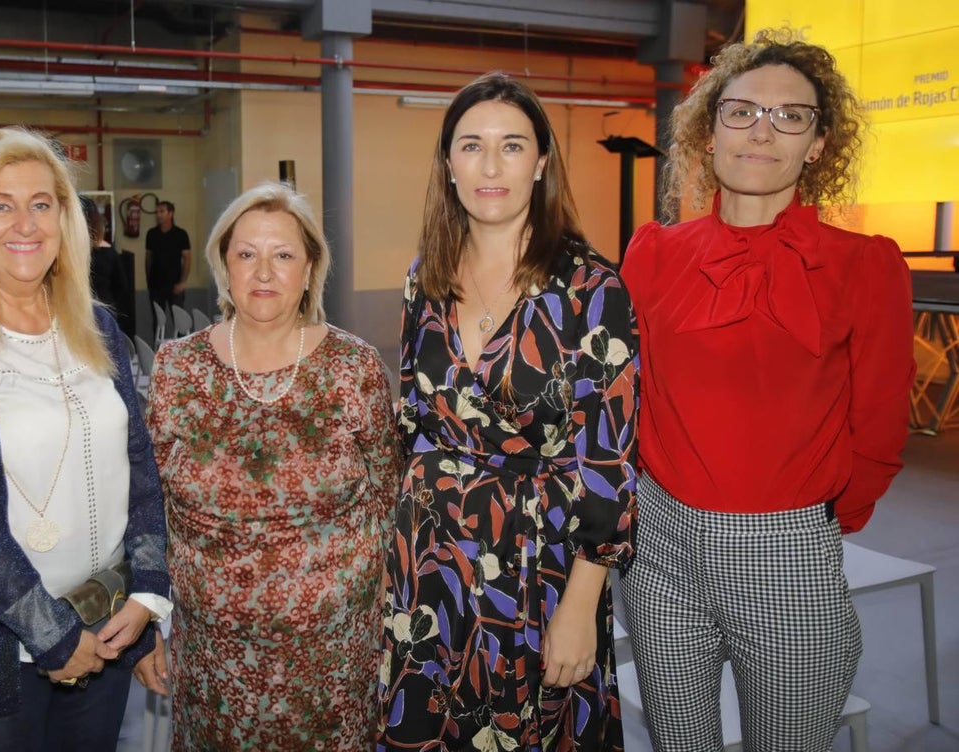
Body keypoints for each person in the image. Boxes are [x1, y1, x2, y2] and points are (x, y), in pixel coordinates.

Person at [618, 29, 915, 752]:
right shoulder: (653, 252)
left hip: (787, 552)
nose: (762, 132)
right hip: (659, 551)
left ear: (818, 143)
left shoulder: (865, 265)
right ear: (709, 129)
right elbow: (622, 400)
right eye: (742, 111)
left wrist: (810, 524)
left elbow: (878, 419)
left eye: (791, 116)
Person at [377, 72, 638, 751]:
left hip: (538, 565)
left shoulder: (590, 289)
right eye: (471, 146)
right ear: (448, 164)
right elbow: (410, 421)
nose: (491, 166)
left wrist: (581, 603)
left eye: (513, 146)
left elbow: (608, 462)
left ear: (542, 163)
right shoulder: (423, 278)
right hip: (429, 559)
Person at [0, 127, 172, 751]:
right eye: (1, 204)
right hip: (7, 649)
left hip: (110, 624)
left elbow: (140, 468)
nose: (25, 223)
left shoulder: (97, 325)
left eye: (41, 203)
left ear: (65, 218)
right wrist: (53, 635)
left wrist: (150, 591)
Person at [142, 181, 403, 750]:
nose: (264, 272)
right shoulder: (176, 371)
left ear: (310, 268)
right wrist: (146, 625)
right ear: (223, 267)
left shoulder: (353, 367)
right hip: (213, 667)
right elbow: (147, 507)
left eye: (283, 255)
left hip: (333, 665)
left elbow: (390, 495)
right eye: (246, 254)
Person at [83, 196, 133, 338]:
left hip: (82, 308)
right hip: (106, 307)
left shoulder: (76, 254)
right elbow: (122, 285)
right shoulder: (110, 253)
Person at [145, 199, 191, 337]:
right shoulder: (152, 234)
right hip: (156, 285)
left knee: (179, 321)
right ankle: (158, 353)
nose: (158, 215)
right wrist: (149, 281)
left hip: (175, 285)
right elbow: (148, 258)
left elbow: (187, 259)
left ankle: (183, 354)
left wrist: (183, 282)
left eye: (162, 211)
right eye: (157, 212)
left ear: (170, 213)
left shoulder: (180, 234)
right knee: (157, 322)